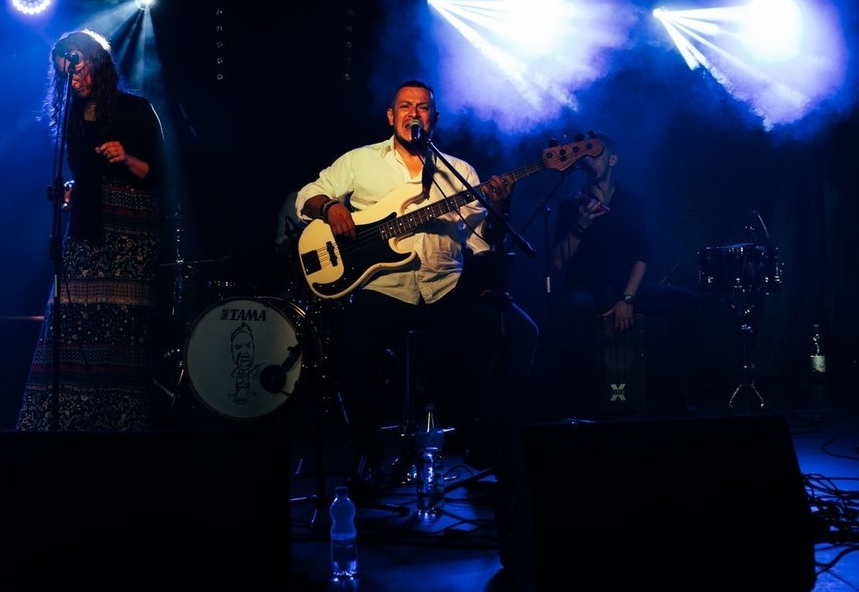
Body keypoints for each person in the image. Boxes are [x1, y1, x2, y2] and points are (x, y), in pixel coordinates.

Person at [294, 79, 535, 482]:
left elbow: (480, 244)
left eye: (422, 107)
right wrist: (332, 207)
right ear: (391, 116)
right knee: (358, 350)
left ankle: (482, 446)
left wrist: (498, 206)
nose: (413, 113)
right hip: (384, 286)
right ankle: (368, 455)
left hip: (445, 287)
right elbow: (308, 196)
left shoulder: (459, 173)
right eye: (405, 106)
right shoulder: (360, 160)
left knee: (517, 332)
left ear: (434, 118)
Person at [15, 28, 169, 432]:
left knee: (122, 327)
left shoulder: (136, 109)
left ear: (97, 62)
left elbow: (164, 174)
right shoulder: (71, 118)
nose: (73, 78)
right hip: (85, 225)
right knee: (70, 320)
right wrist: (74, 186)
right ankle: (67, 422)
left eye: (77, 67)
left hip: (130, 231)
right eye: (64, 72)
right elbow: (85, 171)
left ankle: (122, 424)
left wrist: (127, 158)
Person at [546, 131, 700, 417]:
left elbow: (643, 254)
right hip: (587, 288)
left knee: (686, 302)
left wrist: (627, 298)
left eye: (596, 153)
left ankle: (675, 392)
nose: (589, 159)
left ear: (612, 159)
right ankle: (583, 404)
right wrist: (580, 227)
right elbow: (558, 263)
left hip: (627, 287)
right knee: (576, 306)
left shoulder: (631, 201)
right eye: (585, 154)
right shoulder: (571, 203)